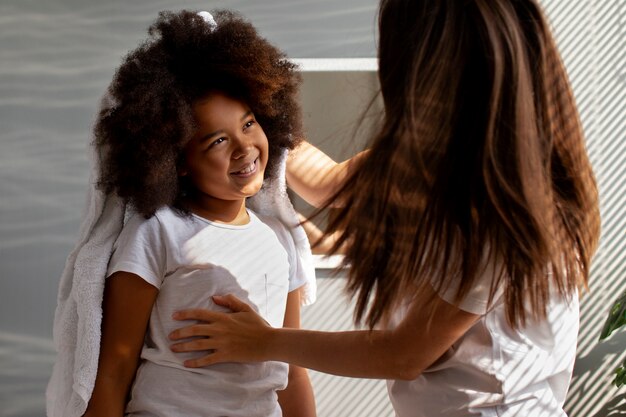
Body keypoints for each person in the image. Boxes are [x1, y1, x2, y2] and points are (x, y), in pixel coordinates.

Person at [167, 1, 600, 416]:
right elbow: (328, 183)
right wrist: (255, 114)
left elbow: (401, 354)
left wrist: (264, 342)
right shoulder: (430, 161)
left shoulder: (502, 213)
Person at [81, 10, 316, 417]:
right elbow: (115, 369)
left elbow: (292, 372)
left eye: (248, 124)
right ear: (178, 162)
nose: (244, 149)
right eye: (218, 140)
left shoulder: (280, 241)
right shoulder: (158, 233)